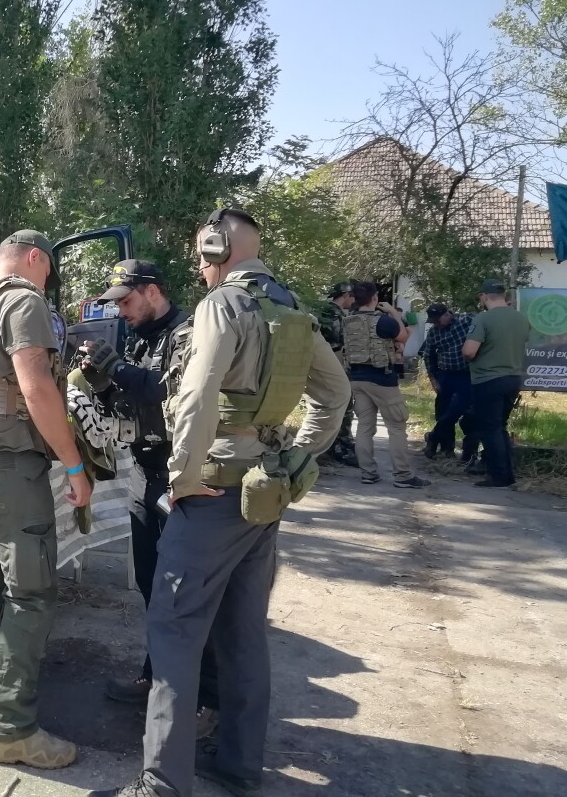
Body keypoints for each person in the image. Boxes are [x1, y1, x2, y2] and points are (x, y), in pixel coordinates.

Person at [90, 209, 350, 797]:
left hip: (212, 493)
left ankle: (161, 784)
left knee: (174, 632)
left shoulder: (222, 306)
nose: (199, 266)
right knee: (243, 634)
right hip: (263, 491)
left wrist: (181, 477)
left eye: (201, 255)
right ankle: (238, 764)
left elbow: (196, 395)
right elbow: (334, 394)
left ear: (216, 248)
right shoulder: (291, 310)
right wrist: (298, 457)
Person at [0, 230, 91, 769]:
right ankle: (13, 730)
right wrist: (73, 464)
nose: (46, 282)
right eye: (47, 270)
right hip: (8, 469)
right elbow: (37, 388)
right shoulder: (23, 302)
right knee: (30, 595)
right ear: (34, 258)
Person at [76, 261, 218, 729]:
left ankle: (206, 700)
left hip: (179, 480)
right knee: (151, 586)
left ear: (152, 291)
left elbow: (164, 390)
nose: (120, 310)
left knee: (188, 594)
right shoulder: (140, 337)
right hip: (143, 474)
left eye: (126, 300)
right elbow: (128, 402)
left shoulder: (189, 333)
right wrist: (101, 382)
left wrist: (115, 367)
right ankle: (155, 676)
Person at [344, 282, 428, 489]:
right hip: (382, 379)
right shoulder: (383, 321)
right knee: (397, 427)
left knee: (364, 427)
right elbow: (403, 337)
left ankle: (368, 473)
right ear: (374, 298)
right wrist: (394, 313)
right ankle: (403, 475)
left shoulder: (348, 321)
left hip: (357, 378)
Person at [462, 279, 531, 488]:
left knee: (489, 428)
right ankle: (507, 474)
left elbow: (469, 351)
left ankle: (498, 475)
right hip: (513, 378)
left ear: (483, 296)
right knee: (500, 427)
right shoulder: (521, 318)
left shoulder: (483, 319)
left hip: (487, 379)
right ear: (504, 295)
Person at [419, 304, 477, 462]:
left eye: (438, 320)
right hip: (445, 374)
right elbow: (428, 355)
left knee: (457, 410)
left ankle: (433, 437)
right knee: (442, 411)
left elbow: (485, 321)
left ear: (447, 314)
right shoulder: (434, 332)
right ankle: (447, 448)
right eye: (433, 321)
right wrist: (433, 379)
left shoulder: (466, 320)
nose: (436, 324)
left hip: (466, 374)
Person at [313, 281, 359, 467]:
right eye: (352, 297)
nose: (353, 301)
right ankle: (342, 448)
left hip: (327, 365)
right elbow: (337, 340)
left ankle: (333, 446)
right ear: (346, 295)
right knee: (345, 405)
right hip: (335, 364)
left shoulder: (324, 311)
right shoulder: (333, 313)